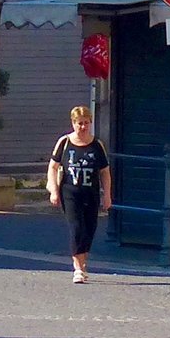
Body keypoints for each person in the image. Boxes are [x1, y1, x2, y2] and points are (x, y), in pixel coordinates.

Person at [46, 103, 112, 283]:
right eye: (79, 123)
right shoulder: (65, 142)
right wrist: (53, 189)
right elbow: (53, 166)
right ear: (73, 123)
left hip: (90, 192)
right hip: (70, 191)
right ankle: (78, 268)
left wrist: (107, 195)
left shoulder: (97, 144)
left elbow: (105, 171)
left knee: (89, 229)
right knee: (76, 227)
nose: (83, 127)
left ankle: (83, 263)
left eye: (86, 123)